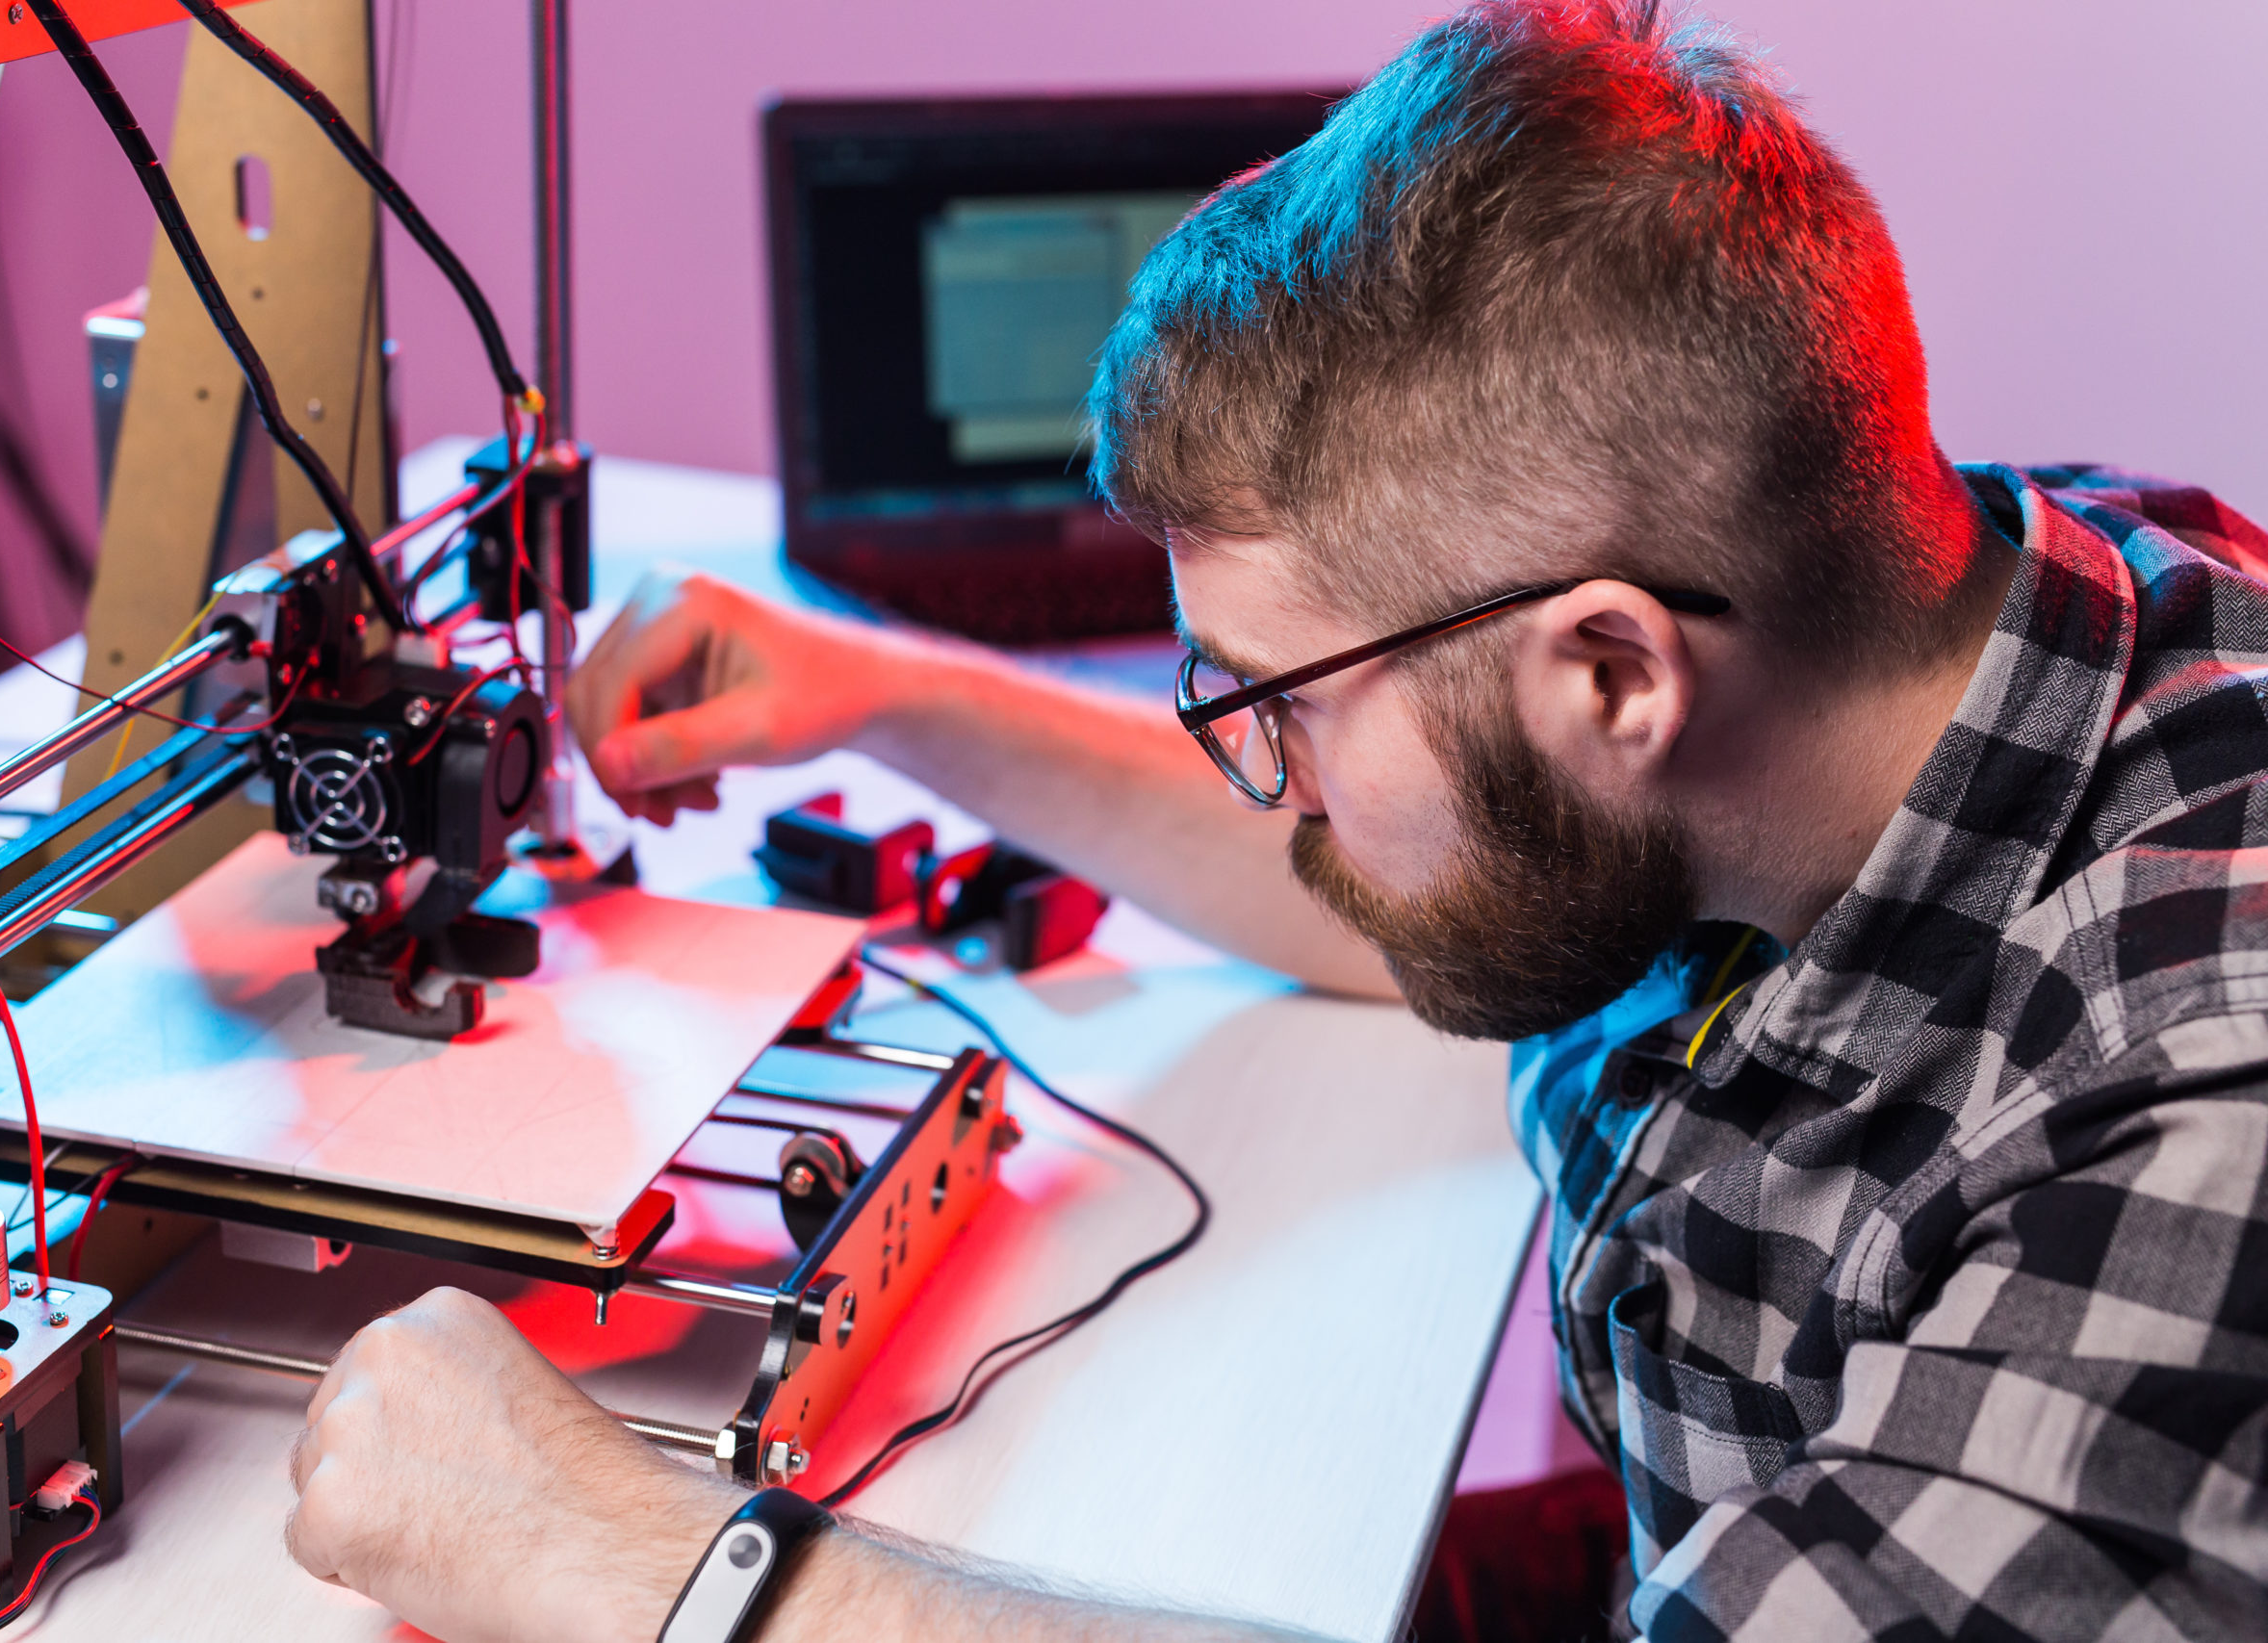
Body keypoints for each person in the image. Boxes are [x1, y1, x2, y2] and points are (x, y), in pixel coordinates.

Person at [280, 1, 2268, 1637]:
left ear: (1607, 679)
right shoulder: (1885, 606)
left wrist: (643, 1569)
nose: (1267, 778)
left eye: (1282, 708)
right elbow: (1421, 861)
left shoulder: (2188, 1119)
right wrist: (876, 687)